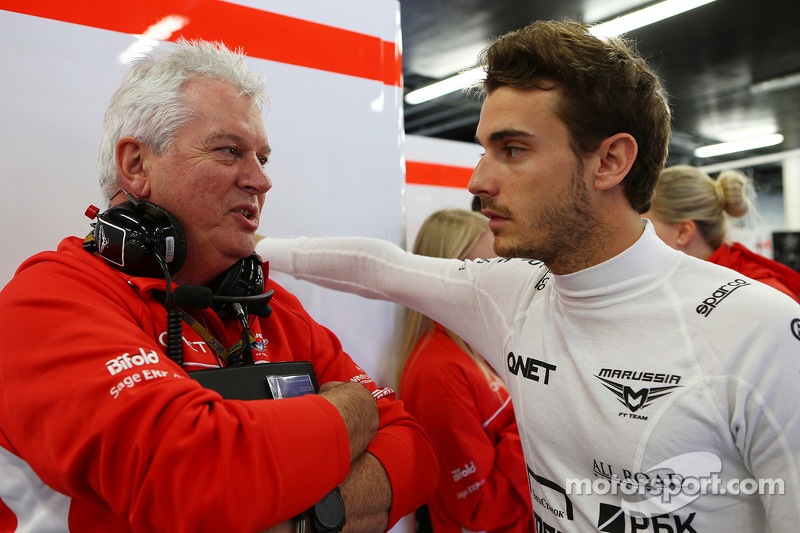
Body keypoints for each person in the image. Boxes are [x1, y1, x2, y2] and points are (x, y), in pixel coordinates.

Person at [256, 19, 800, 532]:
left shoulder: (760, 331)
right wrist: (254, 249)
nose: (477, 180)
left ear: (609, 161)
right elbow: (381, 268)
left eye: (512, 149)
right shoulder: (511, 292)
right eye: (485, 149)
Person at [0, 39, 437, 533]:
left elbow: (414, 448)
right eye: (230, 150)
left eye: (263, 158)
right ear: (137, 165)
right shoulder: (46, 303)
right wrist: (354, 409)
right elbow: (198, 478)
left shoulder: (268, 305)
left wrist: (302, 519)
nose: (260, 180)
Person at [397, 209, 533, 533]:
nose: (499, 282)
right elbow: (476, 511)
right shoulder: (438, 371)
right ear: (447, 275)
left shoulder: (481, 346)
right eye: (485, 269)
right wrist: (534, 420)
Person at [644, 164, 800, 302]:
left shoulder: (761, 293)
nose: (640, 236)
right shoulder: (680, 281)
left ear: (683, 232)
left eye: (647, 226)